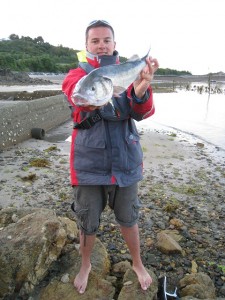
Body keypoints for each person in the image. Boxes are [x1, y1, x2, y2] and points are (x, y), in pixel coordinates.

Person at [62, 20, 159, 294]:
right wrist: (90, 96)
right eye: (95, 41)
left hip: (124, 160)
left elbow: (141, 112)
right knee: (87, 219)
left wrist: (141, 87)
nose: (101, 44)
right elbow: (76, 95)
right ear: (86, 46)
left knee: (129, 217)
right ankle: (85, 264)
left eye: (106, 40)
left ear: (114, 45)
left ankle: (138, 263)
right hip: (88, 163)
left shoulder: (126, 72)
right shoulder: (76, 75)